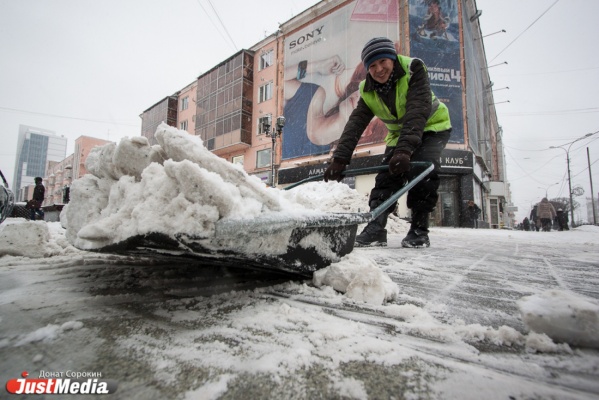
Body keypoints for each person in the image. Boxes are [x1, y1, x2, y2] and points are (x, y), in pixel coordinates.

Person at [324, 37, 452, 248]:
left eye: (383, 61)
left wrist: (404, 152)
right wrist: (340, 159)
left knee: (422, 172)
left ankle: (419, 230)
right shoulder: (367, 89)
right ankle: (376, 229)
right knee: (386, 177)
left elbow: (417, 111)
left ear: (392, 58)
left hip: (433, 126)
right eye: (372, 65)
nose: (379, 69)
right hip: (400, 134)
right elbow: (355, 124)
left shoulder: (413, 69)